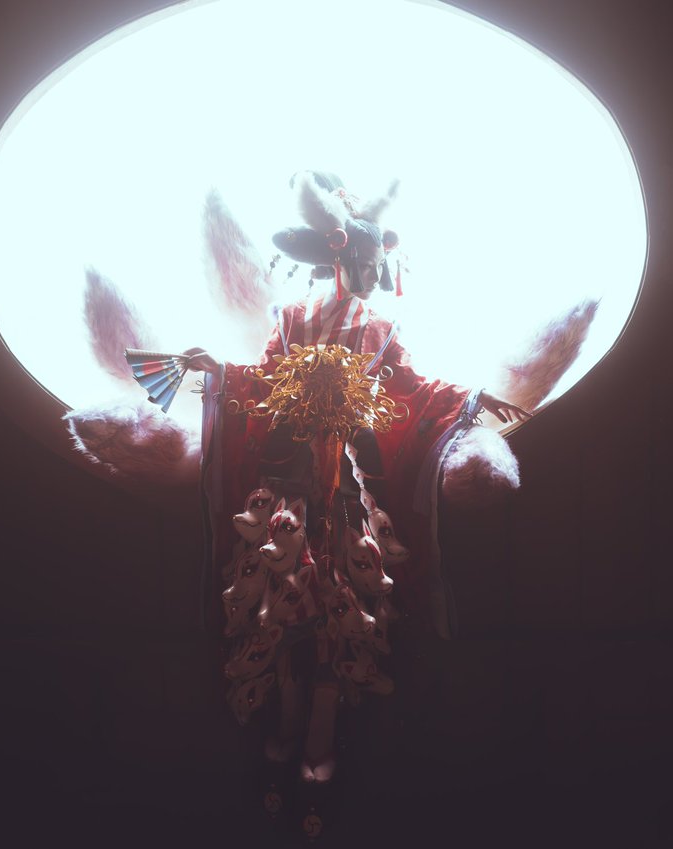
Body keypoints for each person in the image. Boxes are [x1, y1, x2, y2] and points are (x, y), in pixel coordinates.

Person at [182, 171, 527, 786]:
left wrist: (472, 397)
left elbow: (412, 386)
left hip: (346, 471)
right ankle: (288, 706)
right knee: (284, 578)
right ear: (343, 257)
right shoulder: (292, 316)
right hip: (289, 472)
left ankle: (321, 715)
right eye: (369, 263)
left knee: (342, 581)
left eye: (378, 264)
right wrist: (221, 371)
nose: (376, 274)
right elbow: (266, 377)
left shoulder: (380, 328)